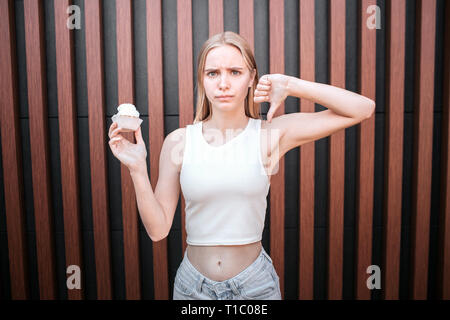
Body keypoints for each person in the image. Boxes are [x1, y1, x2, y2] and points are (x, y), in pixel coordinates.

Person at [108, 31, 375, 300]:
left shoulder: (269, 135)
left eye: (235, 72)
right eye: (213, 73)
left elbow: (362, 108)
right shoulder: (179, 141)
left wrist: (291, 84)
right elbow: (157, 231)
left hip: (254, 289)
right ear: (202, 80)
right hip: (192, 290)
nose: (223, 83)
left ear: (252, 79)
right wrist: (138, 170)